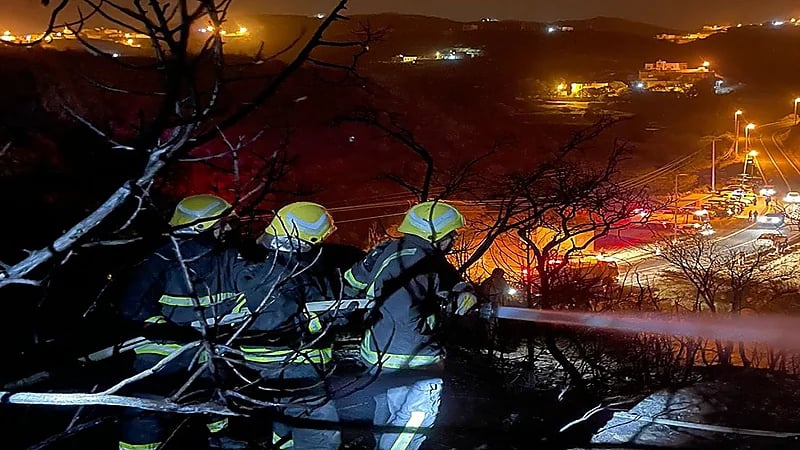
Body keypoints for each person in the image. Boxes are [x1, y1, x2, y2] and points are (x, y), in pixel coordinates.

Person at [340, 200, 476, 450]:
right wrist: (450, 308)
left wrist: (461, 289)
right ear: (434, 234)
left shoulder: (387, 251)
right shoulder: (426, 262)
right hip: (412, 357)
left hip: (375, 351)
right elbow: (409, 314)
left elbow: (351, 284)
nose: (454, 239)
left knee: (387, 417)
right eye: (450, 234)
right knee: (413, 422)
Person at [118, 194, 247, 450]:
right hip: (162, 352)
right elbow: (133, 306)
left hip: (209, 345)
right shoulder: (165, 258)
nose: (230, 228)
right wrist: (167, 330)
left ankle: (219, 437)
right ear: (202, 226)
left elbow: (248, 293)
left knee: (215, 393)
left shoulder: (229, 256)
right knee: (149, 406)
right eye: (224, 223)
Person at [231, 201, 345, 450]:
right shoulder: (291, 270)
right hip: (295, 362)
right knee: (319, 430)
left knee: (285, 417)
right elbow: (278, 321)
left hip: (271, 364)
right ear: (307, 238)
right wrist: (335, 315)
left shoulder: (268, 264)